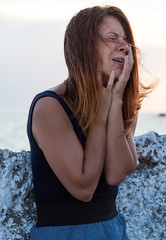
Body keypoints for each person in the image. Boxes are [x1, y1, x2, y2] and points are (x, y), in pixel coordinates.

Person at [27, 5, 150, 239]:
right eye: (112, 39)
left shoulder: (122, 102)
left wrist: (114, 104)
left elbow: (116, 173)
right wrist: (101, 114)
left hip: (111, 229)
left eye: (126, 40)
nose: (124, 47)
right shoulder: (50, 106)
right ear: (85, 47)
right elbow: (83, 188)